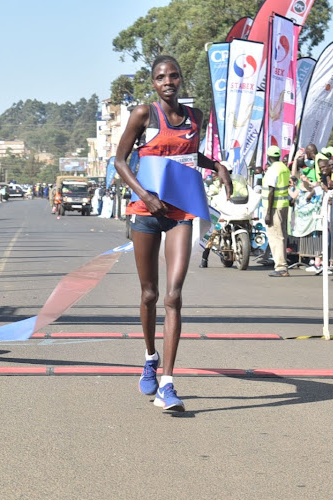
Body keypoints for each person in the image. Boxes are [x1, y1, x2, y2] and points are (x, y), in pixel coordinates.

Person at [115, 55, 231, 412]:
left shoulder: (195, 118)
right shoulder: (143, 115)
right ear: (154, 83)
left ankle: (167, 382)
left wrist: (218, 166)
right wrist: (146, 196)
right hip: (145, 212)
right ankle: (149, 357)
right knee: (149, 294)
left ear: (181, 80)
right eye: (161, 77)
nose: (168, 81)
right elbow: (120, 160)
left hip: (181, 210)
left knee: (174, 295)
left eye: (174, 75)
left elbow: (192, 156)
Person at [263, 145, 291, 277]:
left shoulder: (273, 170)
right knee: (282, 235)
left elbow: (271, 191)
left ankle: (281, 267)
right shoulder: (284, 168)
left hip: (274, 206)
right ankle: (282, 265)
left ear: (268, 157)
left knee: (275, 236)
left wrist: (268, 213)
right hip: (283, 205)